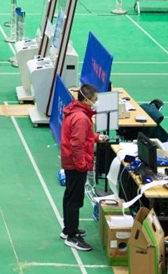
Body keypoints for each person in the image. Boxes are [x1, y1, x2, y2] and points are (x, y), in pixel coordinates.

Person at [60, 84, 108, 251]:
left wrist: (95, 137)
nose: (96, 102)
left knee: (70, 196)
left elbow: (83, 137)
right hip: (75, 164)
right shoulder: (81, 118)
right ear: (86, 100)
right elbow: (77, 144)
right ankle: (72, 236)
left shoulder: (76, 111)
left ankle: (68, 229)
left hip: (70, 162)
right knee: (75, 200)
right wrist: (82, 165)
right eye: (95, 100)